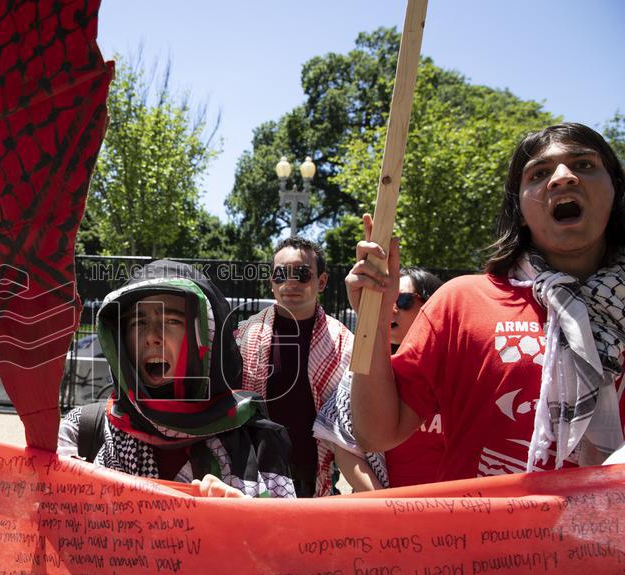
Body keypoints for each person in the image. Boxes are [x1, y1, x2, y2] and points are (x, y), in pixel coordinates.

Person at [350, 122, 625, 478]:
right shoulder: (462, 302)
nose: (562, 177)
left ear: (616, 190)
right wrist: (373, 314)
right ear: (520, 210)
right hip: (484, 532)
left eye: (584, 165)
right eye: (539, 173)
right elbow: (376, 434)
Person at [57, 259, 296, 498]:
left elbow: (287, 532)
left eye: (172, 321)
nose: (151, 337)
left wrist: (244, 520)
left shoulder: (259, 441)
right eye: (138, 322)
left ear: (207, 337)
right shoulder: (81, 430)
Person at [235, 237, 353, 497]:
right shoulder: (244, 334)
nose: (290, 284)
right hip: (253, 473)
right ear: (271, 283)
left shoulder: (345, 343)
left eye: (301, 274)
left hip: (313, 476)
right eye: (280, 275)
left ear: (321, 282)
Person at [314, 267, 445, 491]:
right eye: (385, 299)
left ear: (431, 307)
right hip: (383, 513)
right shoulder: (364, 370)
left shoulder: (453, 371)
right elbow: (344, 445)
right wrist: (385, 505)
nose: (390, 308)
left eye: (402, 300)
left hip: (451, 511)